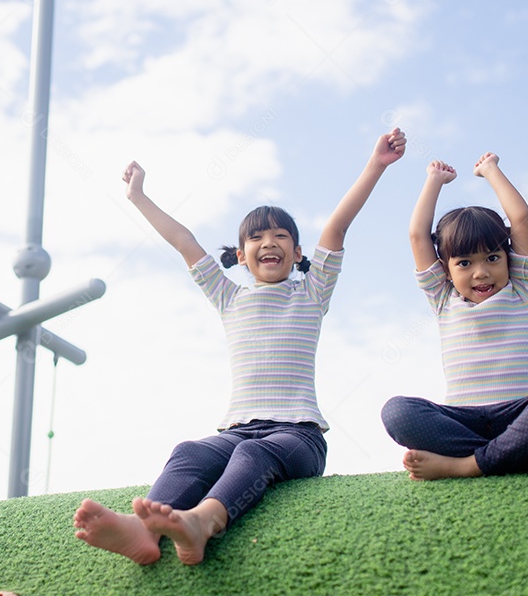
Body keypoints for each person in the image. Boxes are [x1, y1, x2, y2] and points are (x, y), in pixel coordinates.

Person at [73, 129, 407, 565]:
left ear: (298, 251)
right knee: (190, 451)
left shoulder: (311, 291)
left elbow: (337, 225)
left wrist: (376, 165)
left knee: (254, 453)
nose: (269, 242)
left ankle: (203, 521)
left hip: (297, 436)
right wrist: (138, 197)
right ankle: (141, 532)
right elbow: (183, 241)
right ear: (242, 255)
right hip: (234, 431)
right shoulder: (228, 296)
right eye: (257, 238)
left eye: (281, 236)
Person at [380, 153, 528, 481]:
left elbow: (521, 219)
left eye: (493, 257)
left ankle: (467, 466)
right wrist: (433, 181)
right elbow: (417, 236)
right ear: (447, 271)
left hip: (521, 414)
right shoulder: (443, 297)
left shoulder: (521, 288)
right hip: (462, 420)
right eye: (464, 263)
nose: (481, 273)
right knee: (397, 412)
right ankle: (518, 455)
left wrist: (491, 171)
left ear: (508, 258)